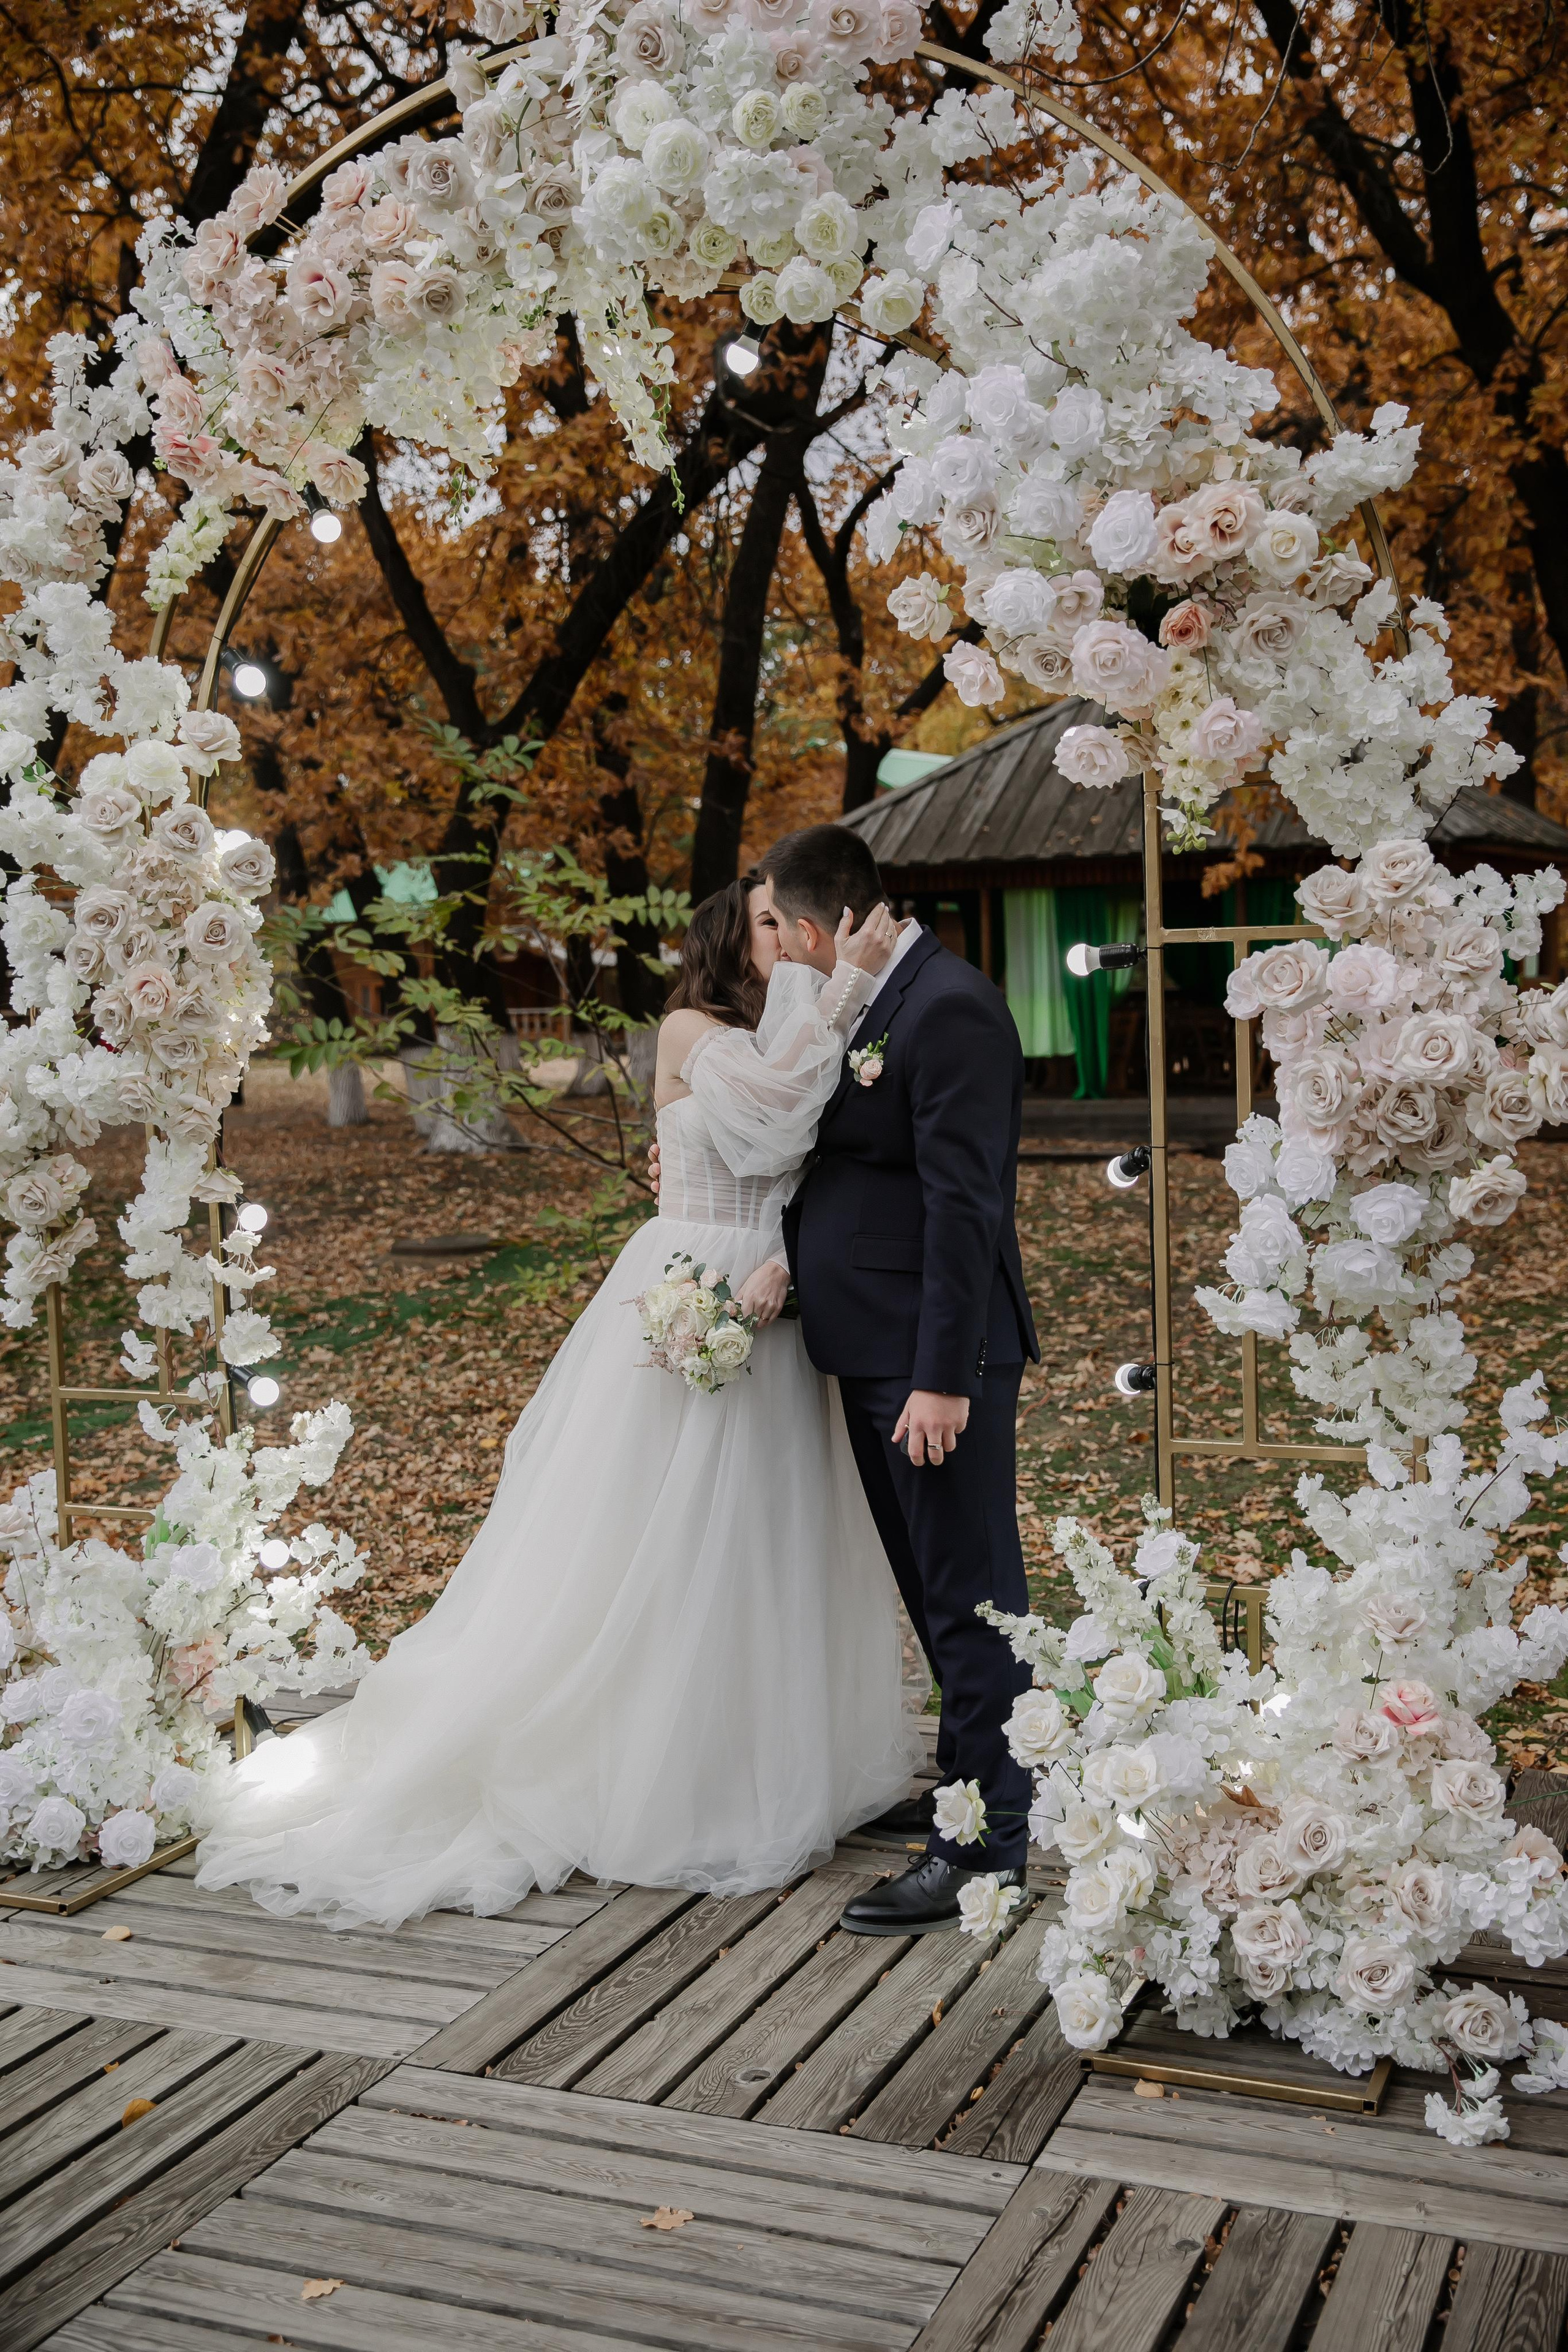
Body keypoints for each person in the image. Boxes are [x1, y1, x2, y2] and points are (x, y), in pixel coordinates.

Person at [195, 878, 923, 1931]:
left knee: (771, 1538)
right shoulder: (692, 1025)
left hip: (779, 1299)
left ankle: (753, 1753)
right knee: (660, 1539)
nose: (793, 936)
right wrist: (846, 988)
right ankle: (644, 1765)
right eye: (769, 922)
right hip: (692, 1282)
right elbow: (775, 1120)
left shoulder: (790, 1023)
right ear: (727, 939)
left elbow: (817, 1148)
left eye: (796, 920)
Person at [763, 824, 1041, 1937]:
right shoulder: (876, 1000)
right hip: (873, 1348)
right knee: (939, 1598)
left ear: (820, 924)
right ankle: (971, 1783)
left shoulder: (949, 1007)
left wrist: (943, 1377)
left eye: (780, 927)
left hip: (932, 1368)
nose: (778, 948)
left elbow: (965, 1206)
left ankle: (981, 1852)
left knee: (972, 1602)